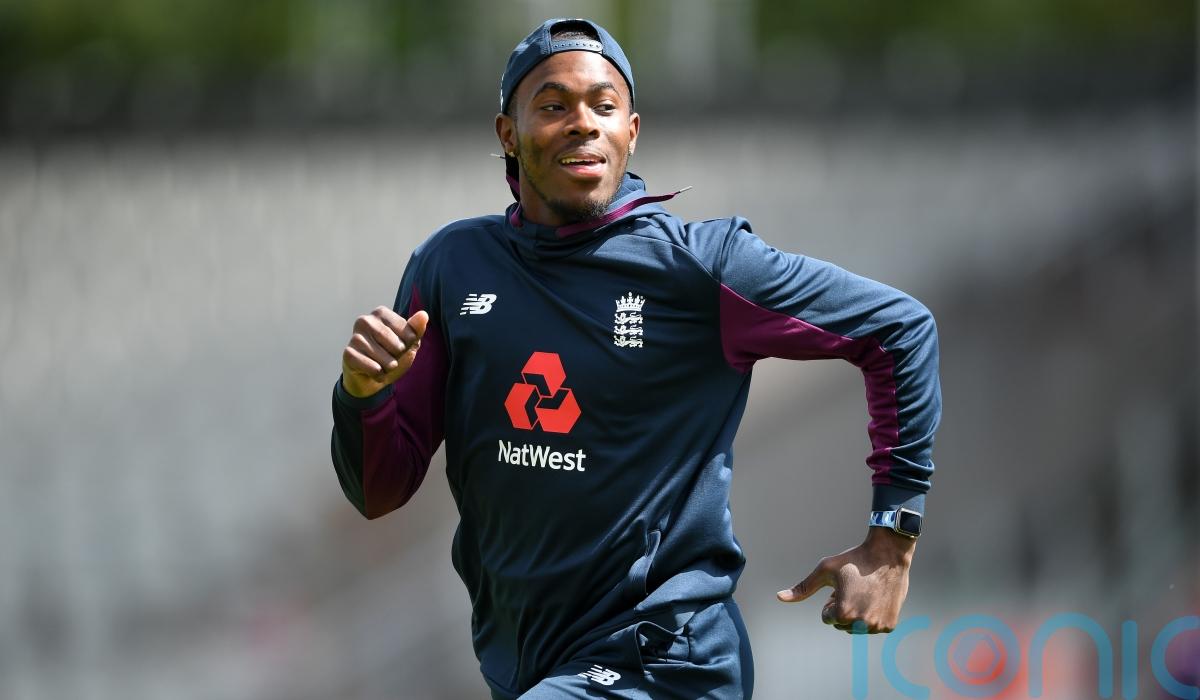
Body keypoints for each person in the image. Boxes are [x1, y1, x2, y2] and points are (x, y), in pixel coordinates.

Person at [331, 17, 940, 700]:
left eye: (603, 106)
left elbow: (899, 329)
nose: (582, 123)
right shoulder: (451, 266)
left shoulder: (701, 267)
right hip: (524, 663)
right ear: (508, 134)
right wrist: (362, 394)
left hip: (665, 661)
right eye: (553, 106)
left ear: (631, 130)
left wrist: (892, 539)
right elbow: (378, 491)